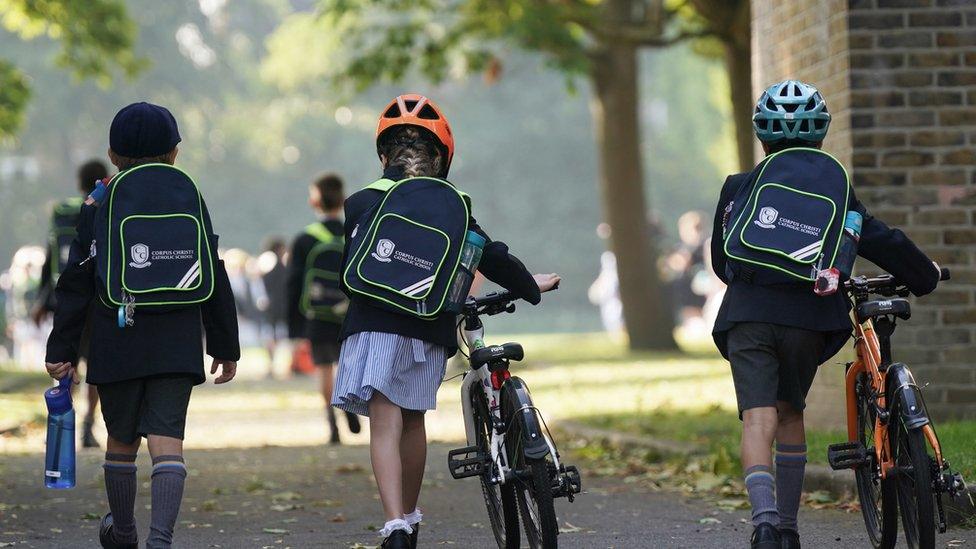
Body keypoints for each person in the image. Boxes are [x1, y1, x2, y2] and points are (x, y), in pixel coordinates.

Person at [710, 80, 942, 549]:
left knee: (759, 420)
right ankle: (792, 531)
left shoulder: (738, 186)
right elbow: (878, 238)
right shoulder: (835, 187)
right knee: (790, 412)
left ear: (763, 138)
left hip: (748, 315)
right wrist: (925, 275)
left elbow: (722, 261)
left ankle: (765, 526)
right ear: (821, 137)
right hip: (809, 317)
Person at [332, 94, 560, 549]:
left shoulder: (360, 201)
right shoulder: (454, 204)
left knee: (385, 423)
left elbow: (350, 271)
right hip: (427, 328)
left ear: (384, 155)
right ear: (443, 156)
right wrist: (530, 287)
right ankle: (413, 523)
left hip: (373, 324)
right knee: (413, 422)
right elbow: (491, 255)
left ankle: (395, 525)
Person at [44, 102, 240, 549]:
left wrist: (62, 348)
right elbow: (213, 268)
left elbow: (76, 281)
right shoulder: (188, 194)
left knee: (121, 440)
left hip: (117, 337)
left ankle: (125, 532)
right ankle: (161, 540)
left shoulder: (100, 201)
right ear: (175, 152)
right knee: (168, 442)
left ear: (113, 155)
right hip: (178, 338)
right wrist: (225, 344)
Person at [33, 159, 108, 448]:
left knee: (63, 364)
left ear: (79, 182)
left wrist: (42, 299)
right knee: (95, 369)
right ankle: (89, 426)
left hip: (65, 298)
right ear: (102, 179)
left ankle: (60, 425)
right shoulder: (104, 208)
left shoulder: (62, 213)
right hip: (98, 300)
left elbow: (50, 255)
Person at [287, 173, 361, 443]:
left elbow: (294, 284)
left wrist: (294, 325)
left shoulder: (305, 239)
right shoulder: (353, 235)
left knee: (323, 369)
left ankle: (332, 425)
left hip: (316, 317)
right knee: (346, 365)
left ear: (313, 201)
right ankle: (346, 403)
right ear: (343, 200)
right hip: (347, 315)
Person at [256, 237, 288, 378]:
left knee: (272, 336)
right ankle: (273, 364)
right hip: (275, 305)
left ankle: (273, 365)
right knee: (273, 336)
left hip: (272, 304)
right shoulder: (272, 261)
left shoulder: (268, 261)